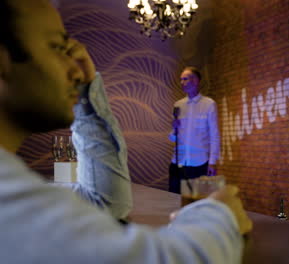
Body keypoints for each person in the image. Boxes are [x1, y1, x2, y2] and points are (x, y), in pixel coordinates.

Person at [0, 0, 252, 263]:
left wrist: (86, 93)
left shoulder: (209, 104)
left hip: (199, 161)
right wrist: (221, 215)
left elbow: (107, 203)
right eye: (57, 48)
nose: (75, 69)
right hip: (182, 163)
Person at [168, 66, 220, 193]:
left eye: (185, 79)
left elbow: (215, 135)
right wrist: (174, 128)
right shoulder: (178, 105)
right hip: (178, 161)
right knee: (173, 201)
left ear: (196, 81)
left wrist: (212, 162)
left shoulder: (209, 104)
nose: (182, 83)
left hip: (199, 163)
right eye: (181, 79)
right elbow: (172, 138)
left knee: (196, 204)